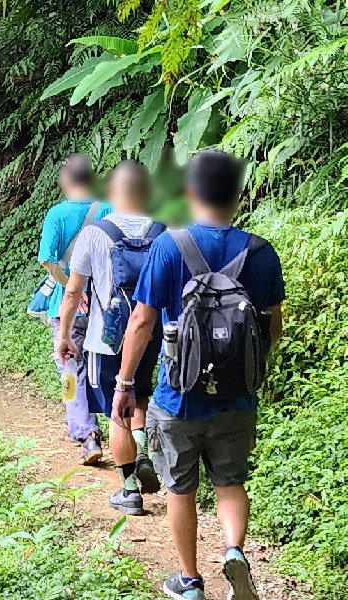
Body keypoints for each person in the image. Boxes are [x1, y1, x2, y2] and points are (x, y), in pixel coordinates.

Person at [115, 150, 284, 600]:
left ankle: (189, 581)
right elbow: (272, 327)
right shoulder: (261, 253)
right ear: (239, 194)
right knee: (230, 483)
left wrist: (126, 382)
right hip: (237, 398)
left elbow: (142, 322)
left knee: (180, 488)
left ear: (189, 193)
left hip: (178, 396)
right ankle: (235, 551)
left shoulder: (169, 245)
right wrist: (250, 377)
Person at [56, 161, 164, 515]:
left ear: (111, 192)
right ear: (146, 192)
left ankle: (130, 489)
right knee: (140, 394)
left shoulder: (95, 234)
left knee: (117, 410)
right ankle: (143, 450)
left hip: (106, 339)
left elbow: (73, 292)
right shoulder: (164, 233)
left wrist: (64, 334)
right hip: (149, 332)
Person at [38, 153, 111, 464]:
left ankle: (85, 433)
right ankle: (126, 434)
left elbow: (47, 260)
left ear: (64, 180)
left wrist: (71, 285)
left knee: (69, 370)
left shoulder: (57, 214)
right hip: (104, 303)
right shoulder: (107, 208)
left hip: (67, 306)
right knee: (103, 368)